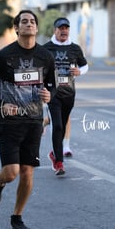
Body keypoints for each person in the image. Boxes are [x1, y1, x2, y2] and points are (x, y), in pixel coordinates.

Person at [0, 9, 56, 229]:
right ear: (17, 28)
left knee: (27, 172)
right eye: (24, 21)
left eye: (32, 21)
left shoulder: (45, 56)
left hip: (34, 120)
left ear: (36, 27)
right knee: (11, 172)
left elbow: (52, 84)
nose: (29, 24)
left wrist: (49, 94)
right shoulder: (4, 56)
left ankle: (17, 217)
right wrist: (1, 104)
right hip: (9, 122)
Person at [43, 17, 88, 175]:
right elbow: (38, 67)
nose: (64, 31)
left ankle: (55, 154)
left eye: (66, 28)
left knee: (61, 125)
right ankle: (59, 163)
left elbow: (84, 65)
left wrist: (79, 71)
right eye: (60, 28)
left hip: (69, 93)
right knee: (58, 125)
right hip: (52, 93)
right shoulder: (46, 48)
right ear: (55, 30)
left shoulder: (75, 48)